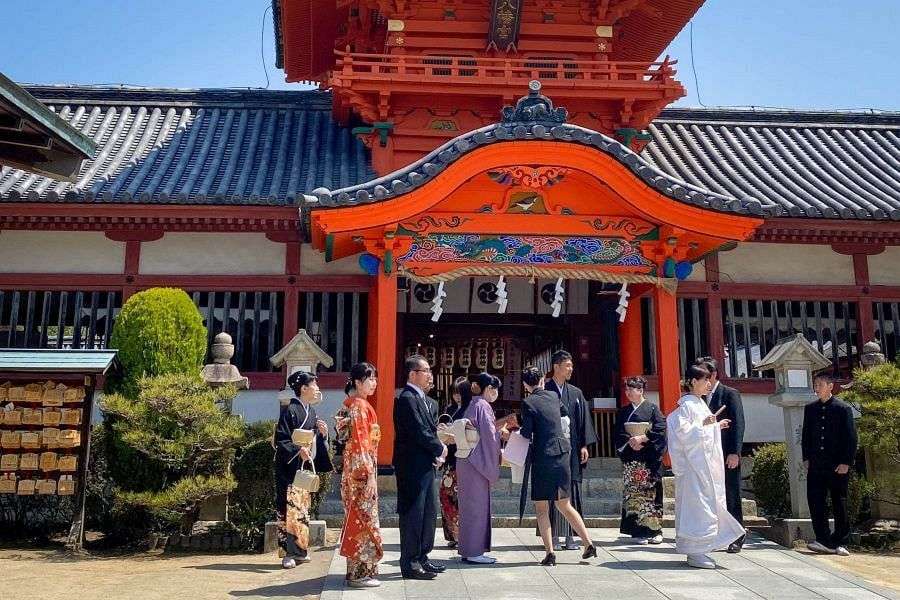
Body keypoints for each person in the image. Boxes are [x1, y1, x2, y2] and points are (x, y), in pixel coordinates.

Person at [667, 364, 745, 569]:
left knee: (706, 506)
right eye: (704, 381)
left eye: (709, 380)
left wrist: (714, 426)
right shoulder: (688, 406)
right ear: (693, 381)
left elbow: (699, 429)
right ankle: (695, 550)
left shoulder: (698, 404)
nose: (708, 384)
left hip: (703, 466)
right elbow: (686, 434)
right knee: (698, 507)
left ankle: (702, 549)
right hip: (694, 468)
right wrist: (711, 427)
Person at [518, 365, 596, 566]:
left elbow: (527, 434)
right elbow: (564, 414)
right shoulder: (553, 396)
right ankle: (588, 543)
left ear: (526, 384)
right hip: (562, 453)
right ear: (542, 380)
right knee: (564, 503)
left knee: (542, 508)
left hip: (543, 457)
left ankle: (550, 552)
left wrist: (510, 433)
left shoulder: (528, 402)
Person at [393, 354, 448, 580]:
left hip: (425, 464)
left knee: (428, 512)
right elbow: (419, 432)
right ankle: (410, 562)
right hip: (411, 466)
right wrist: (439, 448)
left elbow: (429, 430)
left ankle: (423, 556)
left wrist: (436, 451)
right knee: (413, 513)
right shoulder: (406, 398)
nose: (429, 375)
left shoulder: (423, 400)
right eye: (425, 371)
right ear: (413, 374)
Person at [273, 371, 333, 569]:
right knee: (288, 509)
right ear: (304, 388)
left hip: (304, 466)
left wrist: (322, 434)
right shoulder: (290, 410)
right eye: (314, 385)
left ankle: (300, 550)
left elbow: (314, 440)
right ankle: (287, 553)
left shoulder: (312, 412)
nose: (317, 389)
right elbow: (281, 440)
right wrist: (299, 450)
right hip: (288, 468)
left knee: (302, 509)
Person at [336, 362, 384, 588]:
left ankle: (361, 571)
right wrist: (370, 475)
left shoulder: (354, 405)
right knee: (362, 521)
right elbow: (361, 444)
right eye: (370, 378)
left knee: (358, 519)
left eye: (375, 378)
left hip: (354, 470)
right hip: (360, 472)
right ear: (357, 382)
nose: (374, 383)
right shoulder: (359, 407)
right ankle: (358, 574)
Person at [544, 350, 597, 550]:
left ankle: (571, 536)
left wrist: (584, 445)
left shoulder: (575, 393)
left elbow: (583, 421)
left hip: (572, 450)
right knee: (551, 492)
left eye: (571, 366)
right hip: (551, 450)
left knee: (571, 490)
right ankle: (554, 537)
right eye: (567, 365)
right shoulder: (545, 391)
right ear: (556, 367)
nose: (570, 369)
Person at [802, 371, 858, 557]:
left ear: (830, 386)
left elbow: (850, 438)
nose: (816, 388)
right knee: (816, 501)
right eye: (815, 385)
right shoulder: (810, 409)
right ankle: (822, 539)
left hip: (837, 464)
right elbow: (806, 436)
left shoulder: (843, 409)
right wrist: (806, 458)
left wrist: (846, 462)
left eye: (819, 385)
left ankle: (841, 540)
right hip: (817, 464)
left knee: (839, 501)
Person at [457, 373, 510, 564]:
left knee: (469, 506)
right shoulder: (483, 406)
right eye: (494, 388)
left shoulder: (472, 404)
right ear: (487, 388)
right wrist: (501, 434)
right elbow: (488, 436)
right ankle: (474, 552)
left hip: (467, 460)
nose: (495, 392)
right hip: (477, 462)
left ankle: (467, 549)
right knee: (477, 506)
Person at [696, 356, 747, 553]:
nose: (702, 380)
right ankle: (716, 534)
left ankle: (738, 535)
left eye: (705, 375)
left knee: (731, 493)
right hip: (707, 454)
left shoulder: (729, 394)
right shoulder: (699, 397)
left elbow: (738, 424)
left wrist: (735, 452)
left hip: (726, 452)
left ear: (714, 375)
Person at [615, 376, 666, 544]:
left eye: (632, 389)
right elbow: (619, 434)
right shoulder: (623, 412)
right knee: (635, 495)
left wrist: (643, 438)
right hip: (632, 458)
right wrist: (631, 442)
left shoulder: (652, 409)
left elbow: (660, 430)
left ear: (641, 391)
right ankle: (637, 531)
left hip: (649, 458)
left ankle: (655, 530)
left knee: (652, 494)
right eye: (627, 389)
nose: (628, 392)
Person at [439, 376, 468, 549]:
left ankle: (462, 535)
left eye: (460, 393)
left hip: (463, 458)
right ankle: (452, 534)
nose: (457, 397)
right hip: (450, 458)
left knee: (461, 498)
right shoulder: (448, 410)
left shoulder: (469, 410)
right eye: (455, 393)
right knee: (447, 496)